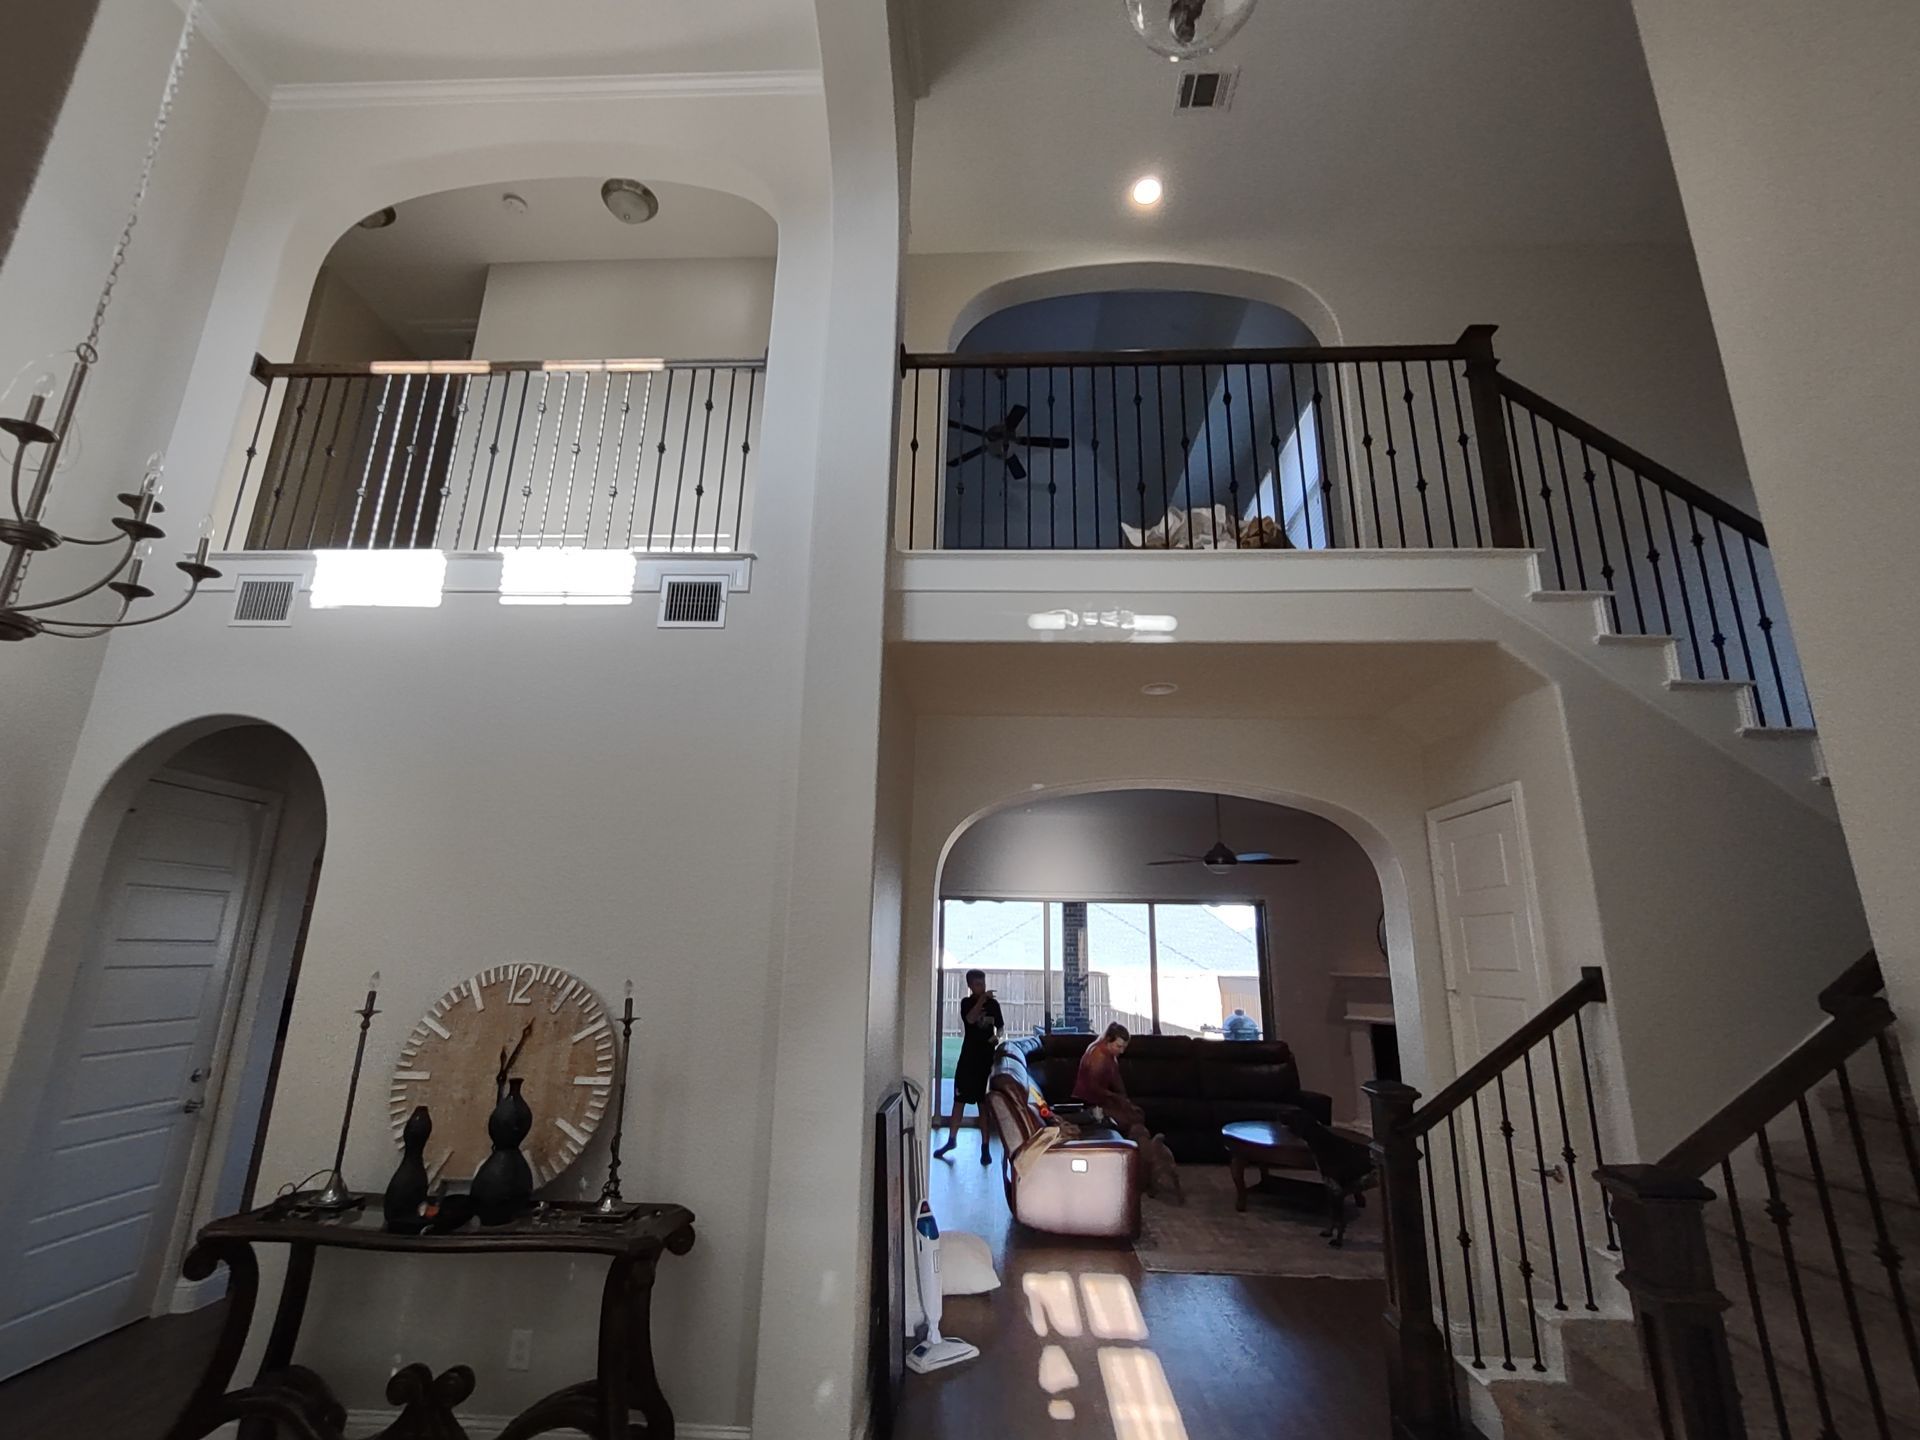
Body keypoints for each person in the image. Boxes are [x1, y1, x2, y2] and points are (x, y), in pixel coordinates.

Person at [936, 969, 1004, 1164]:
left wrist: (996, 1038)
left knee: (983, 1104)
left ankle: (984, 1147)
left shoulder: (994, 1005)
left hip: (985, 1058)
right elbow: (970, 1019)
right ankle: (951, 1140)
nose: (981, 987)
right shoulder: (967, 1003)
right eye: (977, 985)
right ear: (970, 986)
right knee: (960, 1101)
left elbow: (1000, 1027)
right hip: (968, 1058)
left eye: (982, 984)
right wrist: (981, 1000)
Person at [1073, 1023, 1147, 1133]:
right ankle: (1142, 1144)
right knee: (1131, 1121)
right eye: (1119, 1046)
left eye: (1124, 1047)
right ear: (1108, 1040)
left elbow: (1117, 1082)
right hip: (1089, 1103)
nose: (1122, 1051)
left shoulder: (1111, 1055)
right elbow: (1093, 1089)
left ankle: (1142, 1143)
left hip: (1104, 1100)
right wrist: (1117, 1099)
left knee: (1138, 1115)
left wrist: (1126, 1102)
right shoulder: (1098, 1055)